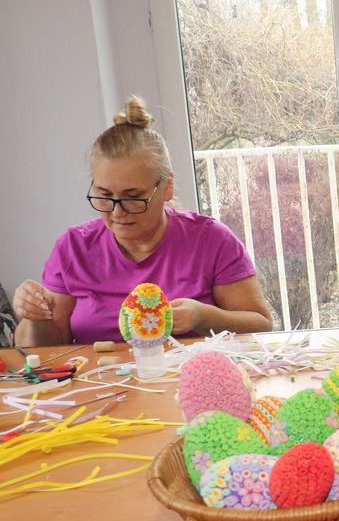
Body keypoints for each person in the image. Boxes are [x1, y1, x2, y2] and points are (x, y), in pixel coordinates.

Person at [13, 96, 273, 347]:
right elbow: (43, 348)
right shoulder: (73, 247)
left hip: (186, 374)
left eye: (133, 197)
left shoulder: (210, 239)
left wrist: (204, 317)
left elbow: (261, 324)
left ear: (166, 187)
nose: (117, 212)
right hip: (100, 376)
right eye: (105, 196)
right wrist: (35, 317)